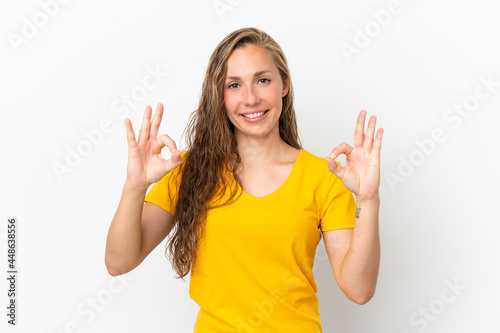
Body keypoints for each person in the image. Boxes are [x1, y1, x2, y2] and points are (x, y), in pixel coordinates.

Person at [105, 27, 383, 332]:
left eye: (263, 80)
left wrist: (368, 200)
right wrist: (135, 187)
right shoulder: (188, 170)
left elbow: (359, 290)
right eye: (234, 85)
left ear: (284, 85)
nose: (251, 98)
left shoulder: (323, 177)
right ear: (219, 96)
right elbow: (119, 263)